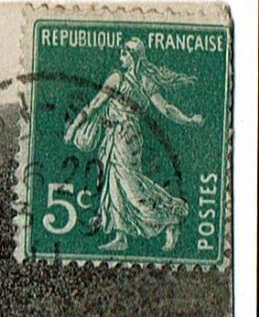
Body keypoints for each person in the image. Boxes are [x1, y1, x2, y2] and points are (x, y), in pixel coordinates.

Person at [63, 37, 205, 253]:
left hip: (127, 139)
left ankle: (170, 217)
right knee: (114, 184)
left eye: (124, 53)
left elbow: (166, 109)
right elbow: (95, 104)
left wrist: (188, 120)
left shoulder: (138, 81)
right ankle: (121, 236)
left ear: (134, 57)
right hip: (114, 136)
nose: (120, 56)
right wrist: (74, 127)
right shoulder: (120, 78)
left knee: (131, 186)